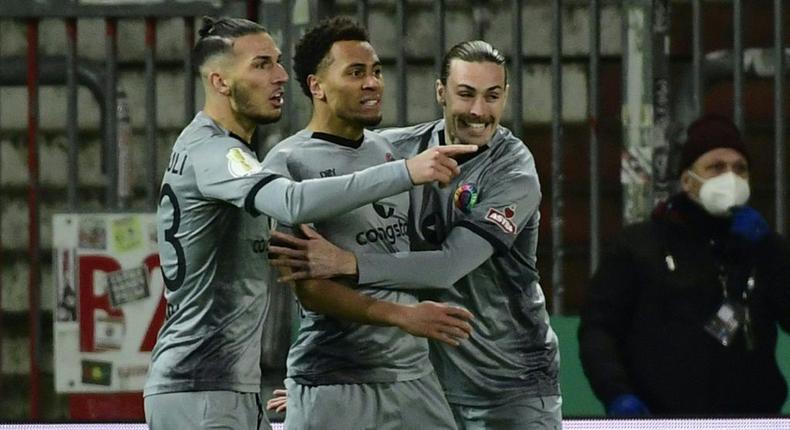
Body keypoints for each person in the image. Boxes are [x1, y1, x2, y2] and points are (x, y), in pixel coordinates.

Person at [143, 16, 477, 430]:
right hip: (201, 388)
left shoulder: (233, 154)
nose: (281, 76)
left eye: (278, 62)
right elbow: (291, 202)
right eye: (262, 64)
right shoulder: (219, 154)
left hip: (228, 387)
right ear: (220, 82)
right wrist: (406, 172)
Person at [269, 40, 562, 430]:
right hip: (432, 384)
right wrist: (322, 391)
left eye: (492, 96)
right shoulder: (397, 151)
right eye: (465, 94)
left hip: (511, 385)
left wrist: (348, 264)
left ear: (505, 96)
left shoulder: (513, 171)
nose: (479, 111)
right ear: (441, 92)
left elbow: (449, 267)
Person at [260, 17, 478, 430]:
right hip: (336, 379)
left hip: (411, 378)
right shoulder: (289, 163)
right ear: (316, 86)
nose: (373, 83)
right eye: (356, 72)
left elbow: (398, 253)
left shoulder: (389, 153)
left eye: (376, 71)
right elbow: (310, 290)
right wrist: (402, 316)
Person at [578, 114, 790, 416]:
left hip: (751, 419)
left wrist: (769, 252)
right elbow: (599, 329)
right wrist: (616, 393)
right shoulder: (640, 246)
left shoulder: (763, 248)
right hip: (661, 417)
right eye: (716, 167)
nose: (730, 177)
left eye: (740, 169)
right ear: (688, 181)